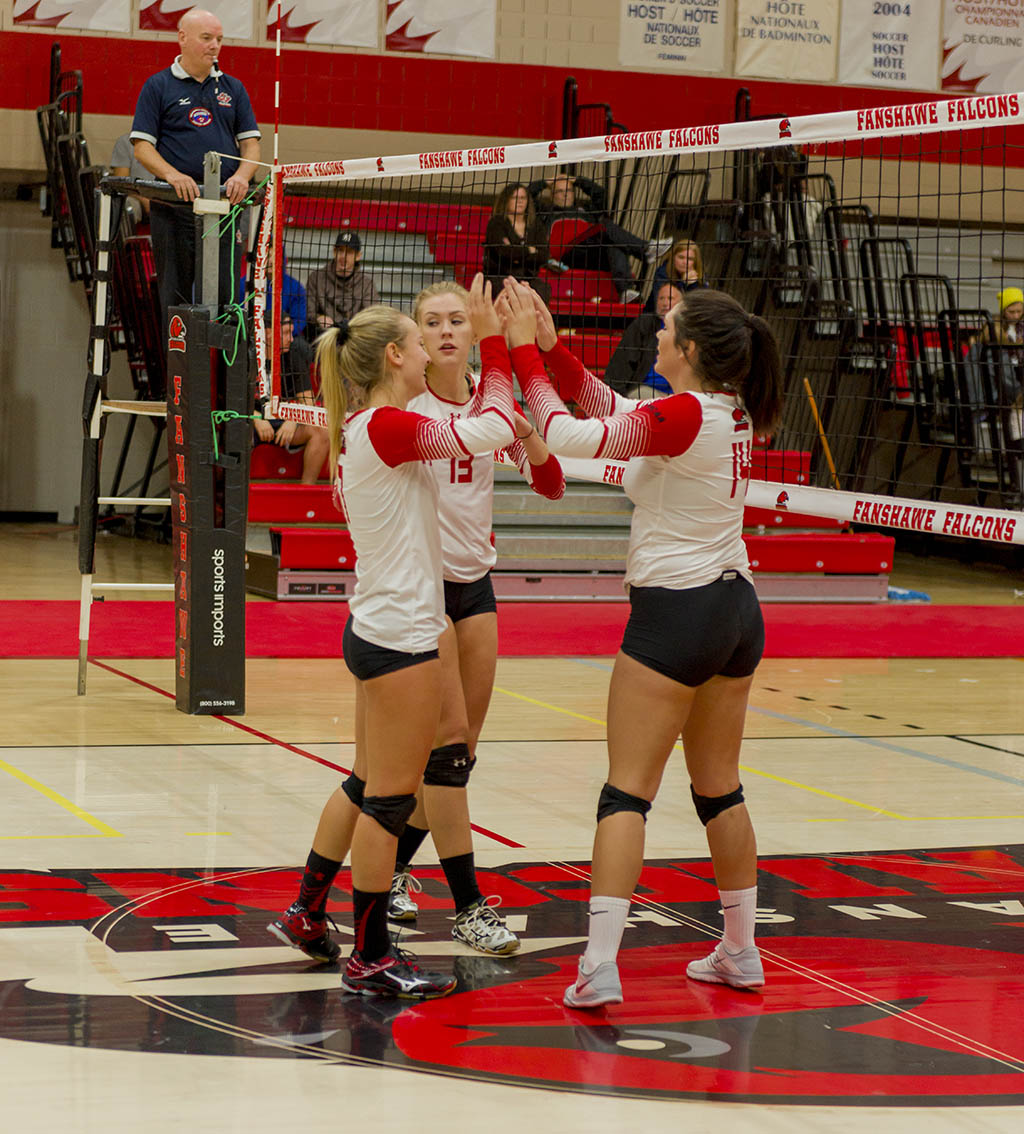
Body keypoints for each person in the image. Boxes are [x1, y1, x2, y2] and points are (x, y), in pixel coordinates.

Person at [500, 281, 783, 1009]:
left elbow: (567, 436)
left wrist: (522, 354)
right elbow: (612, 409)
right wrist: (556, 348)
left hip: (677, 615)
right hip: (735, 611)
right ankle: (741, 953)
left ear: (688, 350)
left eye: (665, 329)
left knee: (626, 791)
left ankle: (598, 968)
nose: (654, 336)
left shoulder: (689, 414)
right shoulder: (724, 411)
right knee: (720, 786)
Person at [268, 280, 563, 960]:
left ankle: (310, 908)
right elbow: (483, 429)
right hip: (407, 620)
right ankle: (395, 940)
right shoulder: (398, 423)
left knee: (389, 777)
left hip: (428, 603)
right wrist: (506, 346)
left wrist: (521, 421)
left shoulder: (386, 421)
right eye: (430, 323)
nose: (446, 332)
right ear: (406, 351)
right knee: (404, 786)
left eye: (460, 320)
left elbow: (536, 469)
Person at [129, 9, 261, 322]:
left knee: (227, 304)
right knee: (174, 302)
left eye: (219, 39)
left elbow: (251, 144)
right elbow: (142, 147)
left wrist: (243, 176)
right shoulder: (158, 86)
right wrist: (172, 175)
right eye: (206, 38)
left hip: (223, 212)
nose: (214, 45)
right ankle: (176, 371)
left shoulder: (234, 89)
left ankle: (223, 371)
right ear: (182, 38)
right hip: (174, 211)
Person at [528, 173, 671, 303]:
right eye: (560, 191)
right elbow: (528, 194)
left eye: (569, 190)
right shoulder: (545, 213)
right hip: (567, 255)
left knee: (612, 244)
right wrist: (547, 181)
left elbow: (600, 194)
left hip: (591, 254)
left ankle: (625, 291)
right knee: (605, 226)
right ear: (552, 195)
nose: (565, 194)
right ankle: (645, 249)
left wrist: (578, 181)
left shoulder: (586, 211)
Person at [253, 314, 329, 484]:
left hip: (285, 420)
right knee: (236, 431)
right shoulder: (248, 355)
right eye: (286, 333)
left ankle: (306, 491)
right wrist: (257, 419)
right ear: (267, 333)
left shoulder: (294, 353)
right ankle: (237, 496)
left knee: (322, 430)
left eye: (292, 332)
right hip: (252, 420)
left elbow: (308, 403)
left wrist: (294, 419)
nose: (291, 338)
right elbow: (232, 402)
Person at [604, 281, 682, 398]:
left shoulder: (691, 329)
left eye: (670, 298)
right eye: (661, 298)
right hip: (648, 390)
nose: (665, 303)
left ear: (682, 304)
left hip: (681, 392)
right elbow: (623, 361)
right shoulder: (644, 325)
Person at [483, 183, 551, 304]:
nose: (519, 202)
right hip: (500, 277)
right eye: (515, 198)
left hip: (528, 279)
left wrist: (515, 252)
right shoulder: (496, 223)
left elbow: (543, 256)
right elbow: (503, 253)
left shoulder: (536, 225)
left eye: (523, 198)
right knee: (513, 294)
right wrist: (529, 250)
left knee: (542, 290)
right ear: (506, 200)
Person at [306, 231, 380, 333]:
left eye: (349, 252)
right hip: (323, 336)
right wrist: (318, 318)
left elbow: (372, 316)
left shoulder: (367, 285)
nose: (343, 256)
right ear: (334, 252)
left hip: (354, 338)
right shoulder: (316, 278)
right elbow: (307, 312)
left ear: (358, 256)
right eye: (340, 250)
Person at [642, 237, 705, 313]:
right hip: (657, 319)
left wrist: (693, 285)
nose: (685, 262)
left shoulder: (699, 277)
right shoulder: (662, 273)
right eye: (681, 257)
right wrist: (684, 284)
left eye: (690, 259)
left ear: (695, 262)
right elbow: (665, 305)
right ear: (673, 258)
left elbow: (700, 307)